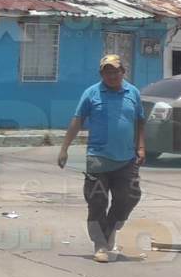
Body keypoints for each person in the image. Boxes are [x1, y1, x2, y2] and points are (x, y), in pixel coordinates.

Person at [57, 54, 146, 263]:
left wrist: (141, 146)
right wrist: (64, 148)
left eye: (115, 71)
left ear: (123, 72)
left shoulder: (133, 92)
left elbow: (140, 120)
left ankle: (111, 229)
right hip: (98, 157)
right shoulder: (92, 93)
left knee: (129, 197)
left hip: (126, 158)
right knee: (97, 200)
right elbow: (77, 120)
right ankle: (100, 244)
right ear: (101, 74)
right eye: (107, 72)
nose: (112, 75)